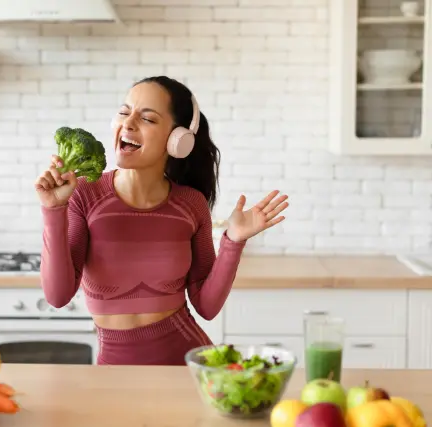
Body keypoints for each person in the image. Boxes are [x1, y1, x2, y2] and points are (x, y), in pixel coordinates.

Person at [34, 76, 289, 366]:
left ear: (177, 139)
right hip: (114, 373)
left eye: (147, 118)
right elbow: (57, 296)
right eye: (123, 111)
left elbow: (206, 307)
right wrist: (53, 209)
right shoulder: (84, 195)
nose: (128, 123)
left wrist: (234, 240)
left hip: (189, 368)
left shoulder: (190, 204)